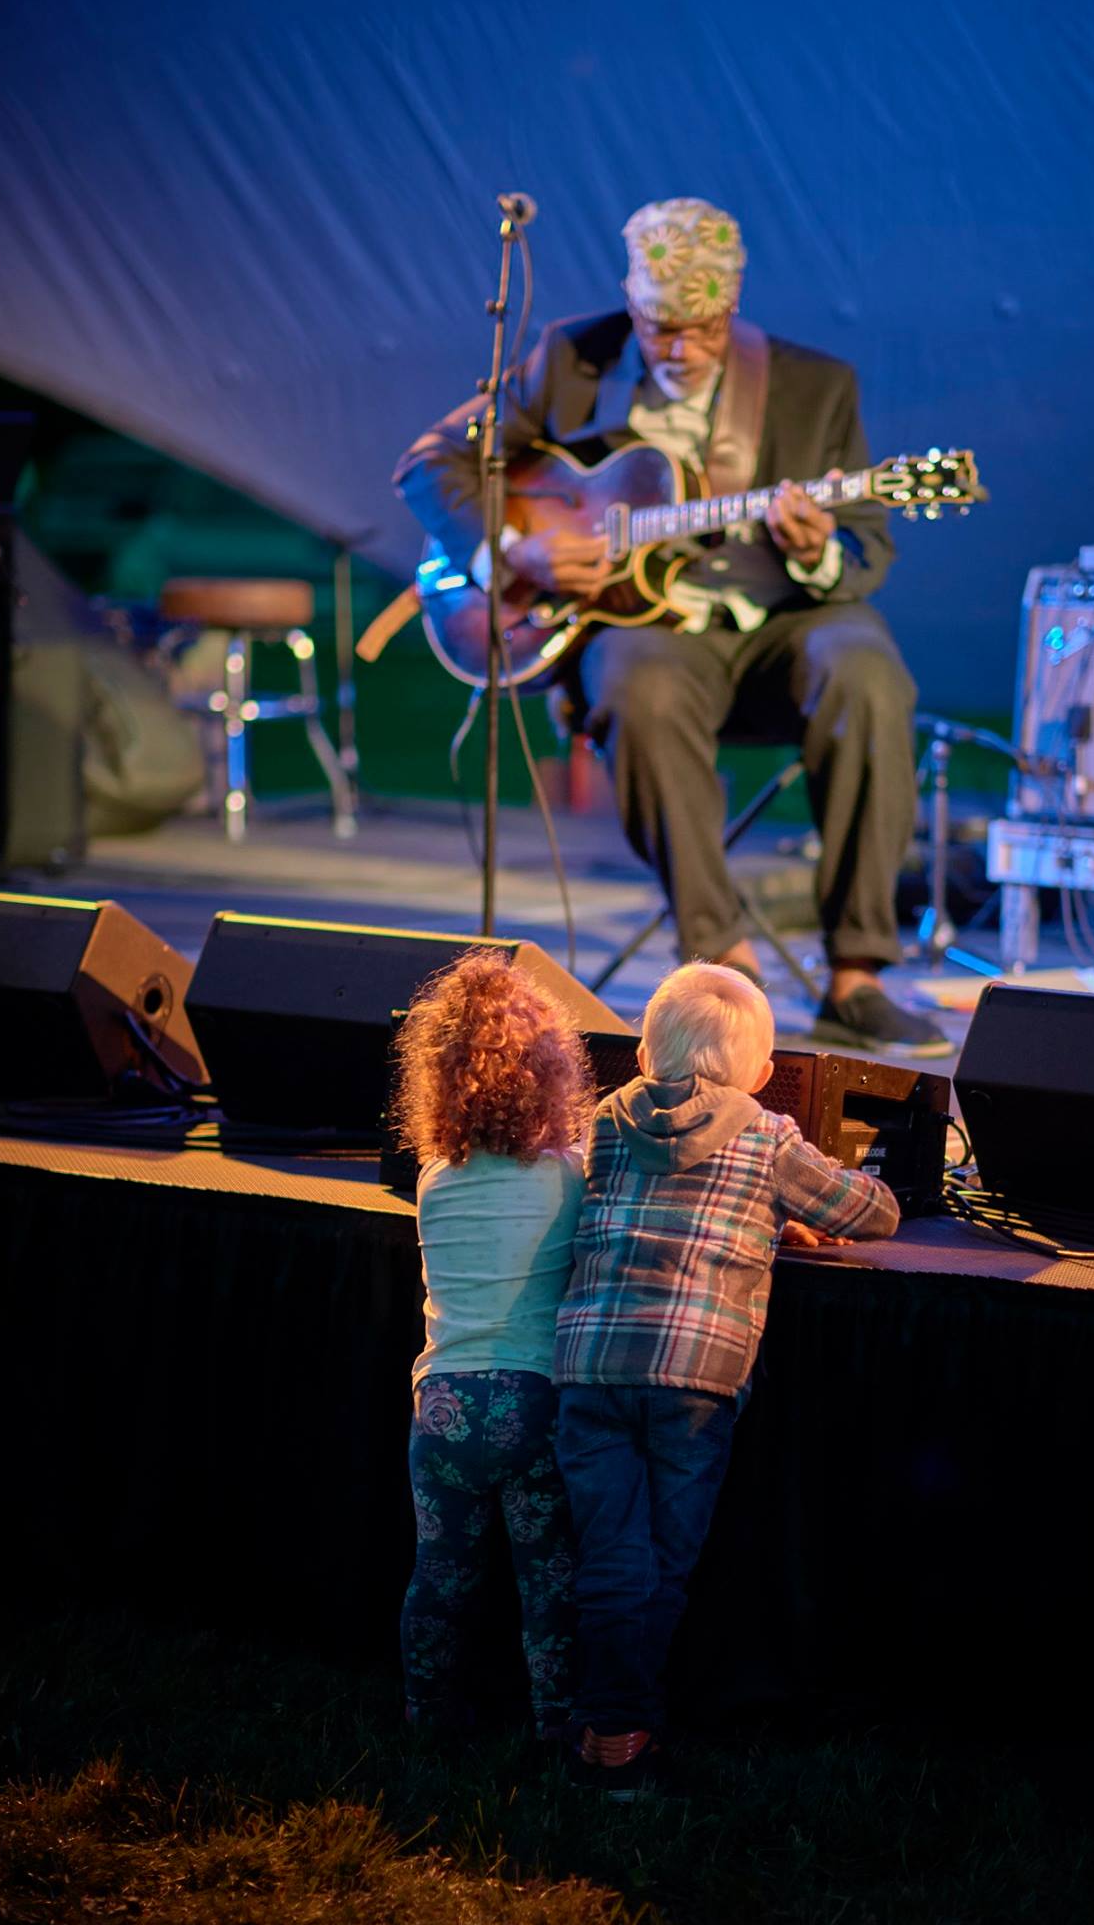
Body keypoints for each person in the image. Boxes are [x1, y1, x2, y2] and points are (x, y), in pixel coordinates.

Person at [395, 195, 951, 1060]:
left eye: (701, 327)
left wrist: (815, 552)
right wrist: (514, 553)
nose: (679, 349)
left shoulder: (813, 385)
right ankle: (723, 965)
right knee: (638, 682)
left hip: (778, 627)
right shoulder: (573, 358)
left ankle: (858, 978)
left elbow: (865, 548)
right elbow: (432, 463)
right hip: (642, 632)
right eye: (659, 328)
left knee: (869, 671)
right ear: (632, 304)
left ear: (732, 307)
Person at [552, 962, 900, 1793]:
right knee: (664, 1562)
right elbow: (871, 1213)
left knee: (608, 1557)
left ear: (644, 1054)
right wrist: (780, 1212)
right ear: (764, 1072)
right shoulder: (767, 1133)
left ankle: (607, 1726)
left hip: (590, 1370)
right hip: (694, 1383)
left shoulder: (603, 1121)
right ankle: (625, 1737)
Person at [393, 949, 591, 1739]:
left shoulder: (435, 1175)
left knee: (439, 1576)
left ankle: (426, 1719)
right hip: (530, 1399)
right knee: (548, 1579)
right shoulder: (570, 1176)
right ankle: (556, 1727)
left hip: (440, 1403)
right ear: (552, 1070)